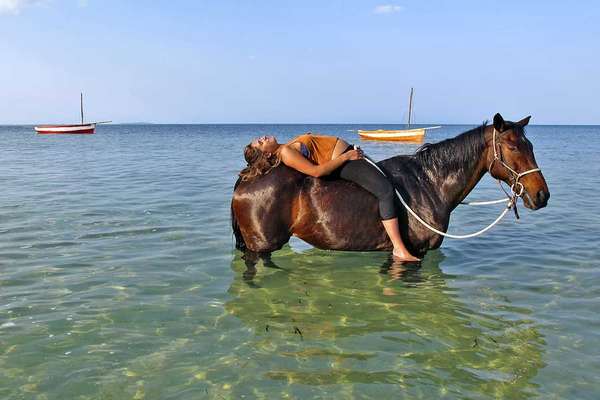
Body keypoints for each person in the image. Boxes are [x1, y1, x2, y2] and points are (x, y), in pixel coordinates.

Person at [240, 133, 420, 262]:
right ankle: (399, 248)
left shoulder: (284, 148)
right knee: (385, 191)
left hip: (345, 156)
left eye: (260, 139)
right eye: (260, 143)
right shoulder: (286, 153)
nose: (262, 138)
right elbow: (316, 171)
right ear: (268, 154)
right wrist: (348, 156)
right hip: (344, 160)